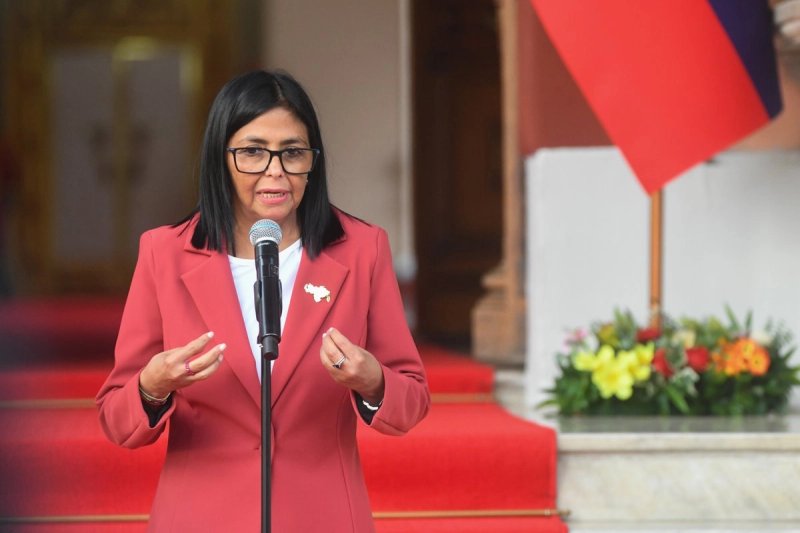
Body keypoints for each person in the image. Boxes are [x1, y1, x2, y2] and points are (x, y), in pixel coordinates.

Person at [96, 70, 430, 532]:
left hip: (323, 515)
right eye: (253, 152)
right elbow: (117, 421)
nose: (275, 171)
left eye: (292, 152)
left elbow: (411, 400)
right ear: (221, 157)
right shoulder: (164, 252)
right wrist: (152, 386)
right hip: (199, 517)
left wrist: (373, 382)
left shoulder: (362, 249)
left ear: (313, 161)